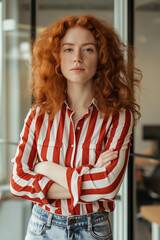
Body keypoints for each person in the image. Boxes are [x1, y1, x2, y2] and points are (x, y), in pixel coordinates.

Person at [10, 15, 141, 240]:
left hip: (93, 229)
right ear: (57, 58)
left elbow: (108, 186)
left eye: (88, 49)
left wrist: (46, 168)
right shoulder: (38, 114)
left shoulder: (119, 116)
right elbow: (18, 182)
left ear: (102, 57)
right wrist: (89, 174)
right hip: (42, 227)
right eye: (68, 49)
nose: (77, 58)